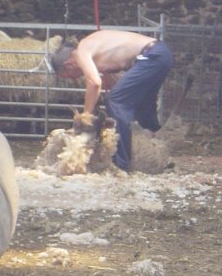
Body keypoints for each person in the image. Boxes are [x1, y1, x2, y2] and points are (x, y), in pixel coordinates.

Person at [50, 29, 174, 172]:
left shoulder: (82, 51)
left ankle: (121, 164)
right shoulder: (96, 54)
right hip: (159, 55)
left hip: (152, 56)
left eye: (70, 76)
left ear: (69, 64)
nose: (75, 78)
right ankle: (159, 151)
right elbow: (118, 84)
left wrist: (85, 117)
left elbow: (95, 83)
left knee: (115, 101)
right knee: (142, 106)